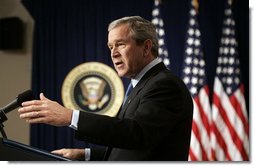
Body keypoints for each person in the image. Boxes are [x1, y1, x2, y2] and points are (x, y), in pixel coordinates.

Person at [18, 16, 193, 161]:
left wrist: (69, 116)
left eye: (121, 44)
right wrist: (85, 154)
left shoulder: (164, 84)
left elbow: (137, 134)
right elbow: (134, 150)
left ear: (146, 47)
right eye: (110, 47)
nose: (113, 53)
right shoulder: (141, 84)